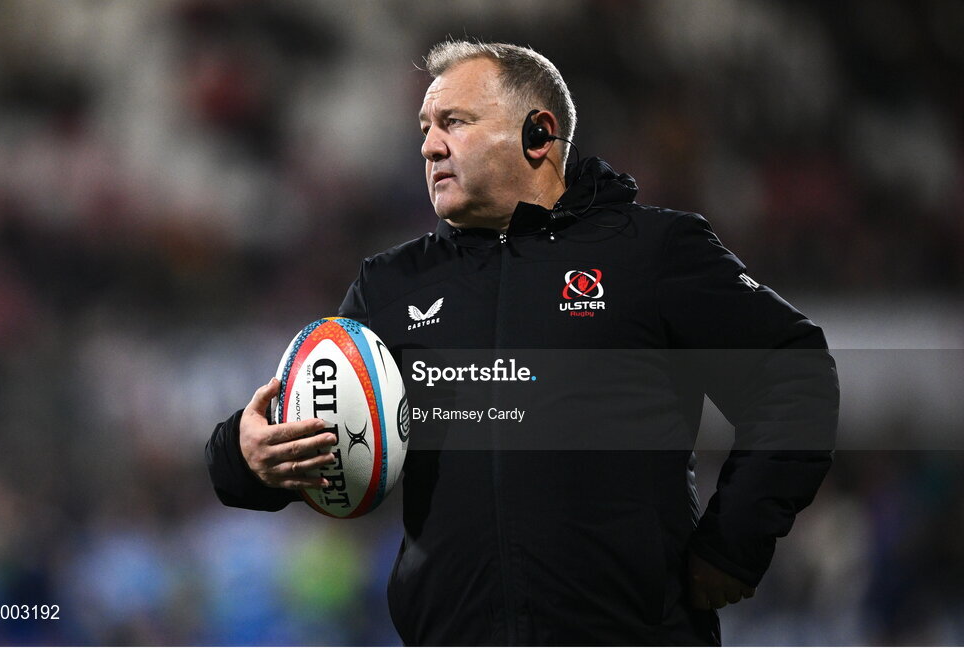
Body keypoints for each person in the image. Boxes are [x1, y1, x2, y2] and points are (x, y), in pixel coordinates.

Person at [205, 40, 839, 645]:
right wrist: (244, 456)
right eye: (424, 128)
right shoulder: (390, 285)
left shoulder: (652, 253)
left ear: (538, 134)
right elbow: (309, 431)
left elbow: (794, 372)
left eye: (453, 122)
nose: (429, 146)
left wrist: (735, 541)